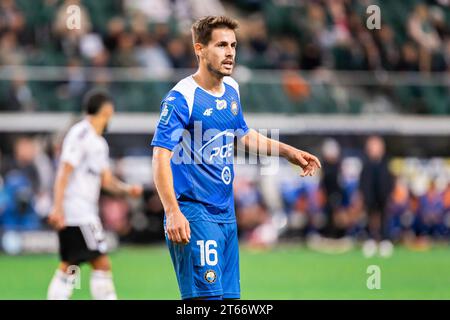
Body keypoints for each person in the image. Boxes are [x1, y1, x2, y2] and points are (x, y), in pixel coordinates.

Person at [151, 16, 321, 300]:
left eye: (233, 45)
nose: (230, 52)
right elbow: (160, 156)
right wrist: (172, 211)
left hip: (226, 215)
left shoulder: (232, 90)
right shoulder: (182, 97)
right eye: (221, 45)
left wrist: (288, 151)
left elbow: (242, 135)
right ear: (199, 49)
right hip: (194, 214)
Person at [46, 90, 143, 300]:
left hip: (82, 211)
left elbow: (106, 181)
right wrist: (57, 207)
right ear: (107, 111)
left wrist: (127, 190)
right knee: (101, 263)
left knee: (71, 265)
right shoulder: (81, 134)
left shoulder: (99, 143)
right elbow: (64, 171)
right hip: (77, 212)